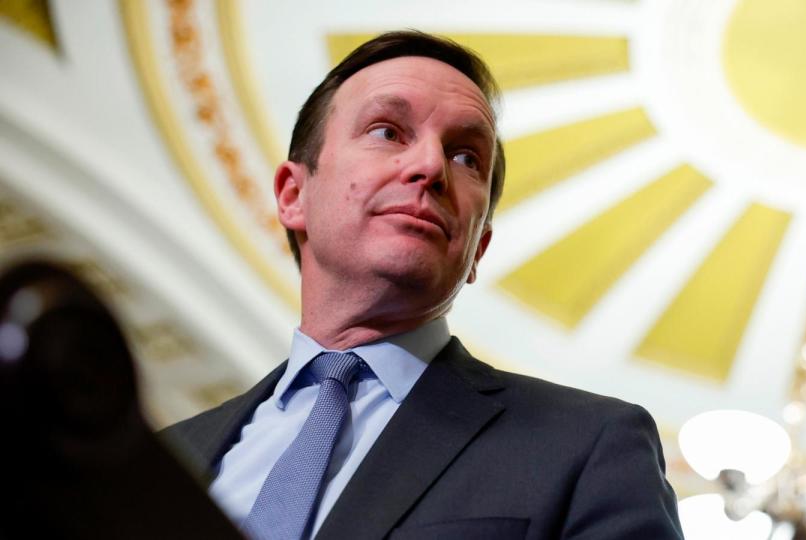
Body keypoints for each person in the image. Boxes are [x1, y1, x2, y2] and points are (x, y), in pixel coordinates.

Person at [163, 31, 684, 540]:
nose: (432, 165)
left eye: (466, 158)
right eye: (388, 131)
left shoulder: (587, 443)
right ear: (293, 195)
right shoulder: (164, 457)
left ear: (477, 248)